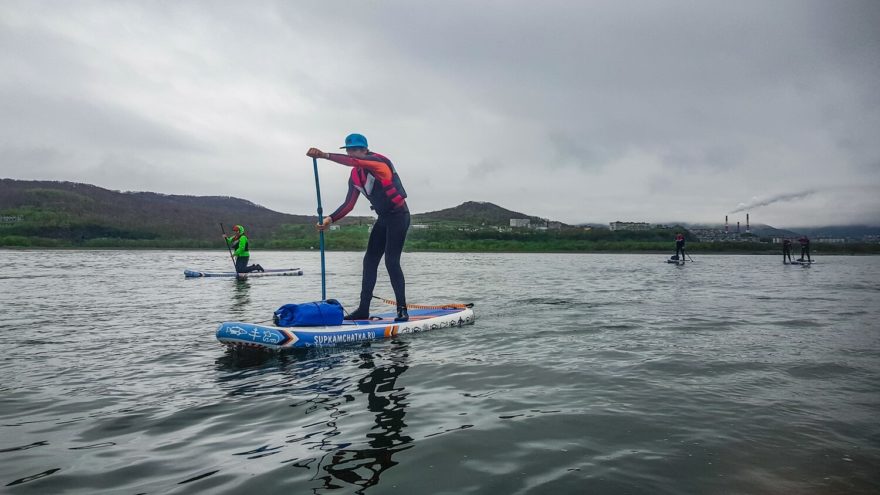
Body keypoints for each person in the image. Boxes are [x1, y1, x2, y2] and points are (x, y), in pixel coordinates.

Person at [307, 133, 410, 322]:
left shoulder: (379, 163)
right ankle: (363, 310)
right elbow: (349, 204)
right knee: (369, 261)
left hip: (399, 216)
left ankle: (402, 310)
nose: (353, 153)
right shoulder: (355, 176)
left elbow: (351, 161)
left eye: (356, 149)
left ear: (365, 150)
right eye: (349, 150)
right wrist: (331, 218)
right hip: (384, 218)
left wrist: (324, 155)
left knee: (391, 261)